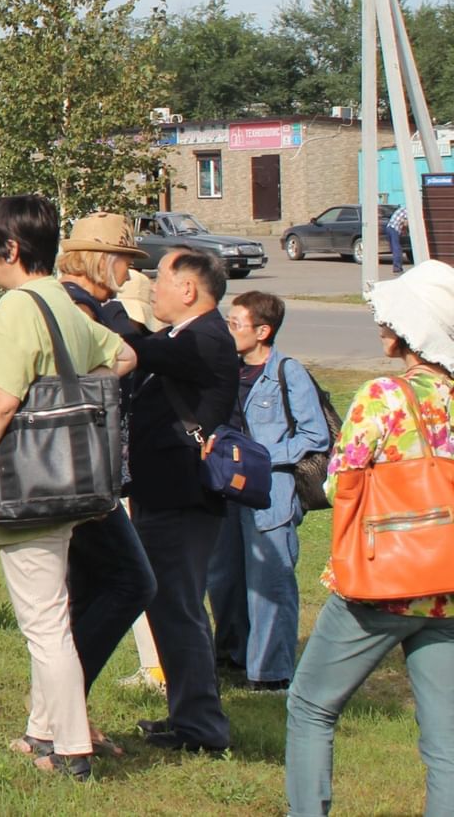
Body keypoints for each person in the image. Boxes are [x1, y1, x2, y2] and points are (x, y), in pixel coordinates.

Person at [0, 195, 137, 781]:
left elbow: (3, 401)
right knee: (52, 615)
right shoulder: (61, 298)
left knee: (45, 625)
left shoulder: (14, 309)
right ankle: (41, 732)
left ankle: (72, 750)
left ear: (9, 249)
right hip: (75, 479)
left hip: (29, 486)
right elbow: (126, 355)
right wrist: (80, 399)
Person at [285, 262, 454, 816]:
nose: (381, 323)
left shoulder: (383, 395)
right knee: (446, 740)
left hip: (382, 581)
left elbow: (339, 482)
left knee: (311, 705)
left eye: (391, 318)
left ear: (412, 329)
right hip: (446, 586)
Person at [128, 248, 240, 755]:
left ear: (189, 290)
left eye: (159, 280)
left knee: (180, 608)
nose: (152, 288)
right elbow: (147, 347)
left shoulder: (209, 339)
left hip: (182, 498)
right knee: (170, 607)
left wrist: (102, 303)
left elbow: (142, 348)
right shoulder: (184, 336)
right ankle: (187, 717)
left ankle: (201, 729)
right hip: (163, 494)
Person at [53, 213, 157, 753]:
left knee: (85, 594)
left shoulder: (91, 308)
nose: (128, 269)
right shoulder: (76, 309)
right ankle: (58, 714)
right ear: (99, 259)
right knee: (133, 583)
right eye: (123, 259)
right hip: (79, 472)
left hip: (85, 472)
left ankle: (67, 715)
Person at [210, 291, 330, 693]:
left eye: (235, 323)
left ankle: (271, 675)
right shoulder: (227, 369)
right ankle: (232, 658)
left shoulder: (287, 372)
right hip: (226, 491)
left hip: (270, 496)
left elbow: (315, 436)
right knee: (223, 580)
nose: (228, 330)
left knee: (269, 586)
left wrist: (257, 457)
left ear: (263, 331)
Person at [387, 201, 410, 271]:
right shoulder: (407, 210)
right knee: (397, 248)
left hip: (389, 228)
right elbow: (406, 223)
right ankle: (397, 267)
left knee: (395, 248)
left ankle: (397, 266)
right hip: (394, 229)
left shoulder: (402, 209)